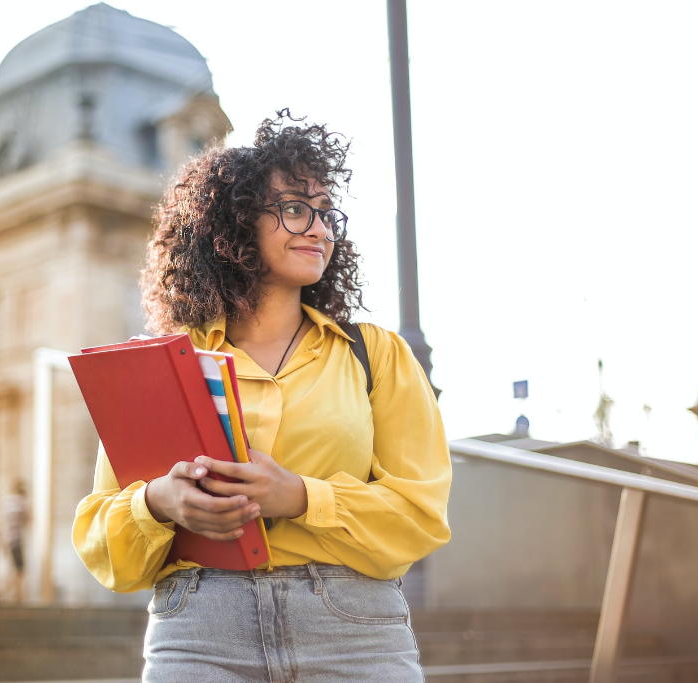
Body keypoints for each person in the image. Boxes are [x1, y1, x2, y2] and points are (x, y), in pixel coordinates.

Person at [72, 110, 452, 682]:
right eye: (296, 208)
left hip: (352, 629)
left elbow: (420, 516)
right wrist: (159, 503)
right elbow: (102, 538)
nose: (320, 228)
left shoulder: (376, 354)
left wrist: (300, 497)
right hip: (199, 628)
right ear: (234, 223)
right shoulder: (165, 365)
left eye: (327, 214)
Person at [1, 479, 29, 603]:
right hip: (16, 540)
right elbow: (26, 519)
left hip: (7, 540)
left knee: (13, 568)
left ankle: (12, 594)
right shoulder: (18, 503)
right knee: (20, 569)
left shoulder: (7, 503)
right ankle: (17, 596)